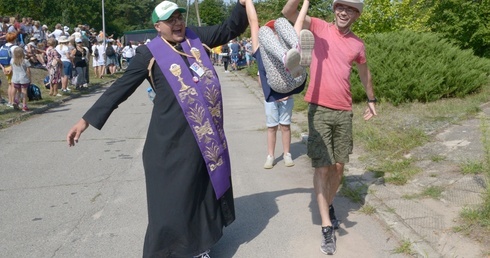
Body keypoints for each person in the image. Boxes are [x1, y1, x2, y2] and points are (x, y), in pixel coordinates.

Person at [66, 1, 249, 257]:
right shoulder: (148, 54)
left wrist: (241, 5)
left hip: (203, 139)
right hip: (169, 143)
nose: (178, 23)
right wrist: (85, 120)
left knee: (200, 191)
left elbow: (232, 27)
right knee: (173, 201)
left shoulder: (197, 37)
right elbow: (121, 88)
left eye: (179, 18)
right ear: (157, 26)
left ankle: (201, 246)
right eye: (170, 20)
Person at [282, 0, 378, 255]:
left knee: (338, 167)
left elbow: (364, 73)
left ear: (357, 15)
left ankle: (329, 202)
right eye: (341, 7)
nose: (345, 12)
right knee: (323, 167)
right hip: (319, 108)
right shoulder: (320, 29)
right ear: (335, 10)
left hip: (344, 110)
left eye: (351, 9)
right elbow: (289, 13)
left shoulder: (358, 44)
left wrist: (371, 99)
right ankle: (326, 225)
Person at [244, 0, 312, 170]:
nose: (273, 32)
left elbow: (300, 21)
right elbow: (254, 22)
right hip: (276, 89)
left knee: (283, 21)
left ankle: (287, 154)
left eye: (275, 31)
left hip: (295, 80)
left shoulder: (288, 46)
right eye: (272, 31)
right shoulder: (260, 48)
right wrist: (248, 2)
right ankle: (271, 155)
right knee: (272, 127)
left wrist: (306, 2)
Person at [10, 47, 31, 111]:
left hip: (15, 78)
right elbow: (28, 71)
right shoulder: (25, 61)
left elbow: (12, 69)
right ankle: (24, 106)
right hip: (23, 78)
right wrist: (30, 78)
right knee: (24, 92)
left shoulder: (12, 60)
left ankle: (16, 100)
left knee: (18, 91)